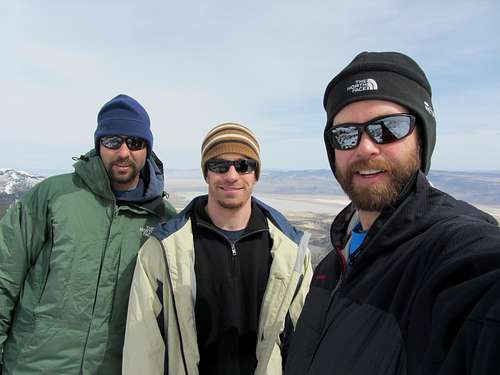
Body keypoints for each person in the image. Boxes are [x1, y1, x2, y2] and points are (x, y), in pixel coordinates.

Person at [285, 52, 500, 375]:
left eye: (389, 128)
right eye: (346, 134)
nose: (366, 147)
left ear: (422, 138)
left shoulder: (451, 254)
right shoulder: (334, 264)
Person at [0, 94, 176, 374]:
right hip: (32, 365)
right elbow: (4, 276)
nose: (123, 152)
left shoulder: (163, 219)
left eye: (135, 142)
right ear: (98, 144)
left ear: (147, 149)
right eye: (112, 141)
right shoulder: (54, 196)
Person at [123, 122, 313, 375]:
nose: (231, 175)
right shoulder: (164, 249)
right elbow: (143, 347)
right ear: (206, 174)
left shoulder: (290, 253)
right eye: (219, 165)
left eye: (244, 165)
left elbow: (304, 343)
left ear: (256, 174)